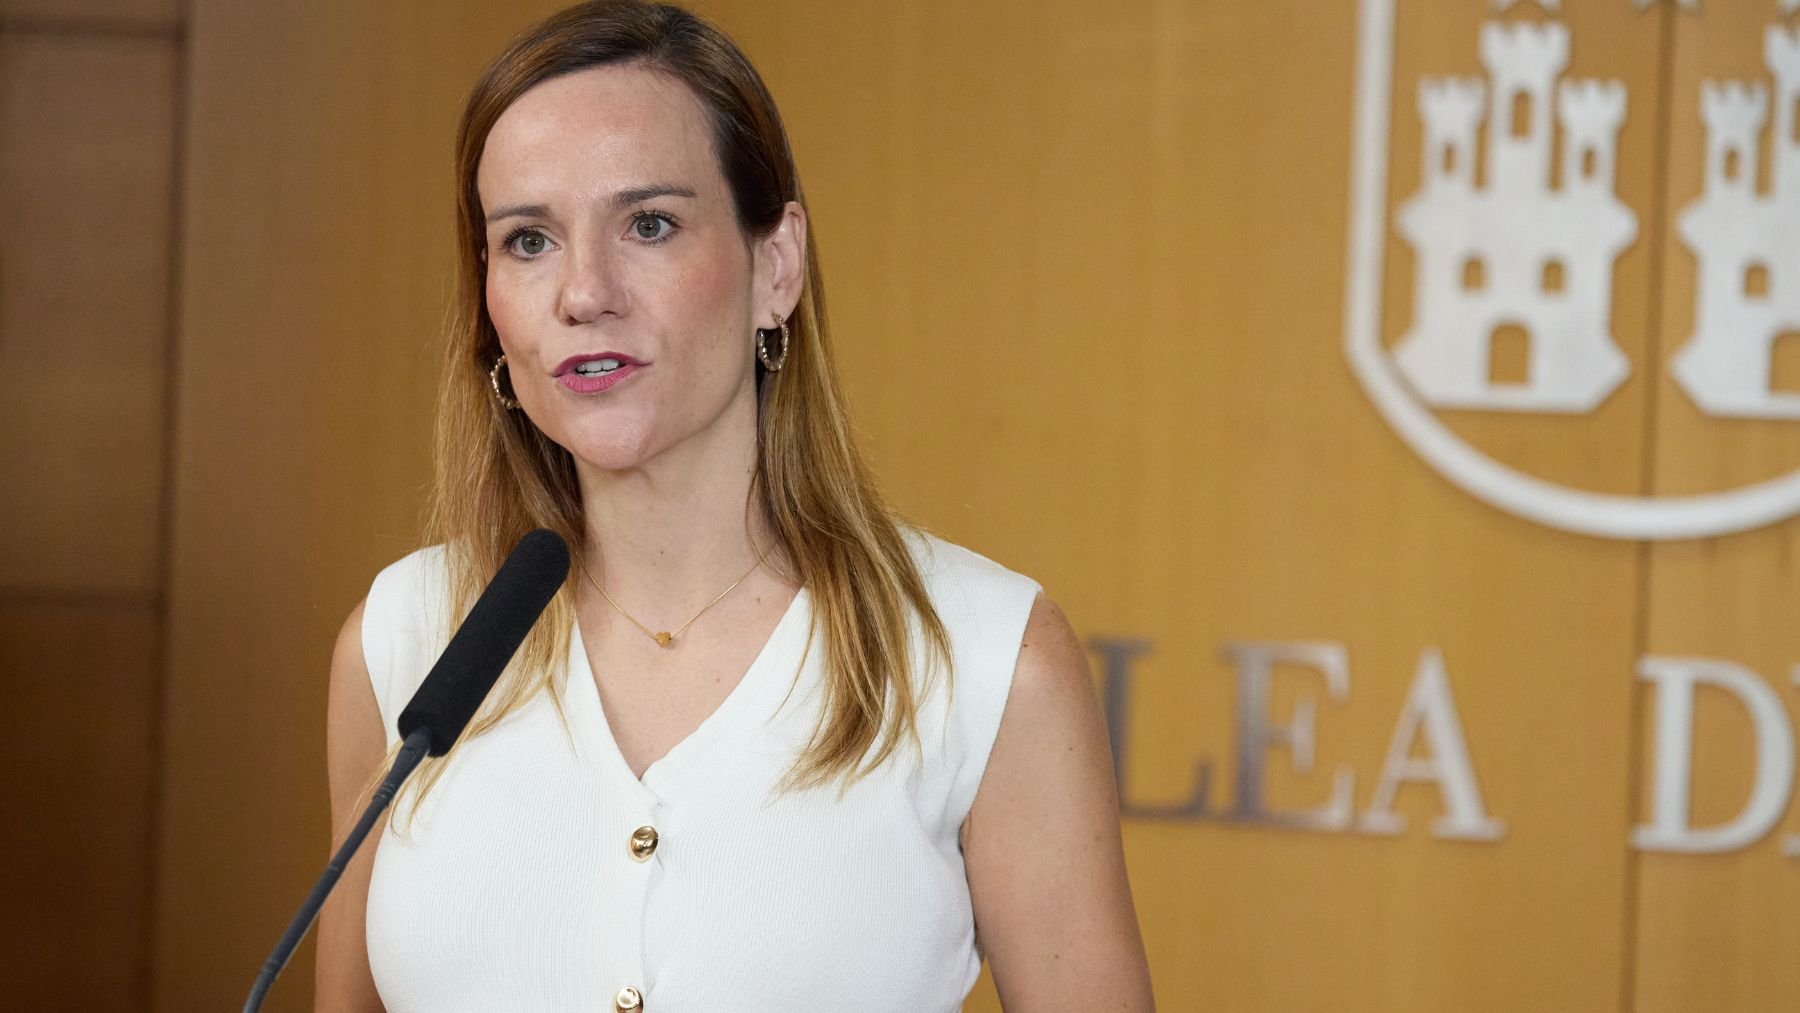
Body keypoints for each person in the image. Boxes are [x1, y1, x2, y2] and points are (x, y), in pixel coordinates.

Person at [315, 2, 1152, 1010]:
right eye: (529, 240)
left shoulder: (985, 658)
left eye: (650, 224)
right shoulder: (406, 638)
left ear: (776, 265)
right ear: (488, 303)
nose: (584, 291)